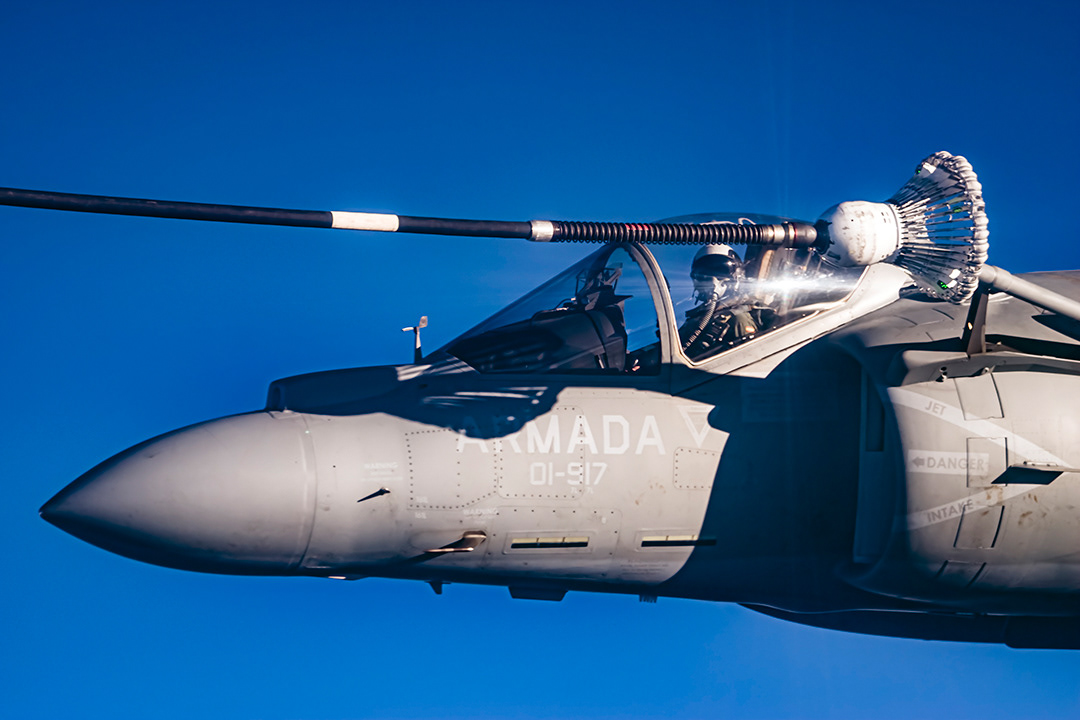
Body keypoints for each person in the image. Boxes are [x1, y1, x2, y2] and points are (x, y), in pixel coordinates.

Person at [679, 244, 772, 360]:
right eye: (705, 273)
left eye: (721, 271)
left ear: (737, 277)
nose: (713, 280)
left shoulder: (738, 319)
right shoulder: (692, 323)